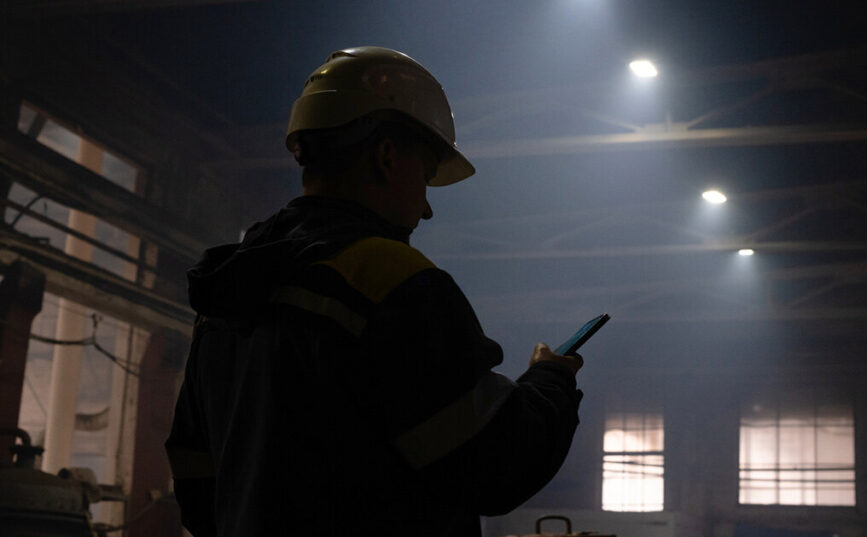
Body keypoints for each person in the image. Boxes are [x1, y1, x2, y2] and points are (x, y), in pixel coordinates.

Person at [164, 47, 584, 537]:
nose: (426, 208)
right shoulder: (390, 279)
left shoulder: (230, 294)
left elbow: (196, 483)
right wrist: (551, 382)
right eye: (425, 176)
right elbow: (493, 466)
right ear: (387, 157)